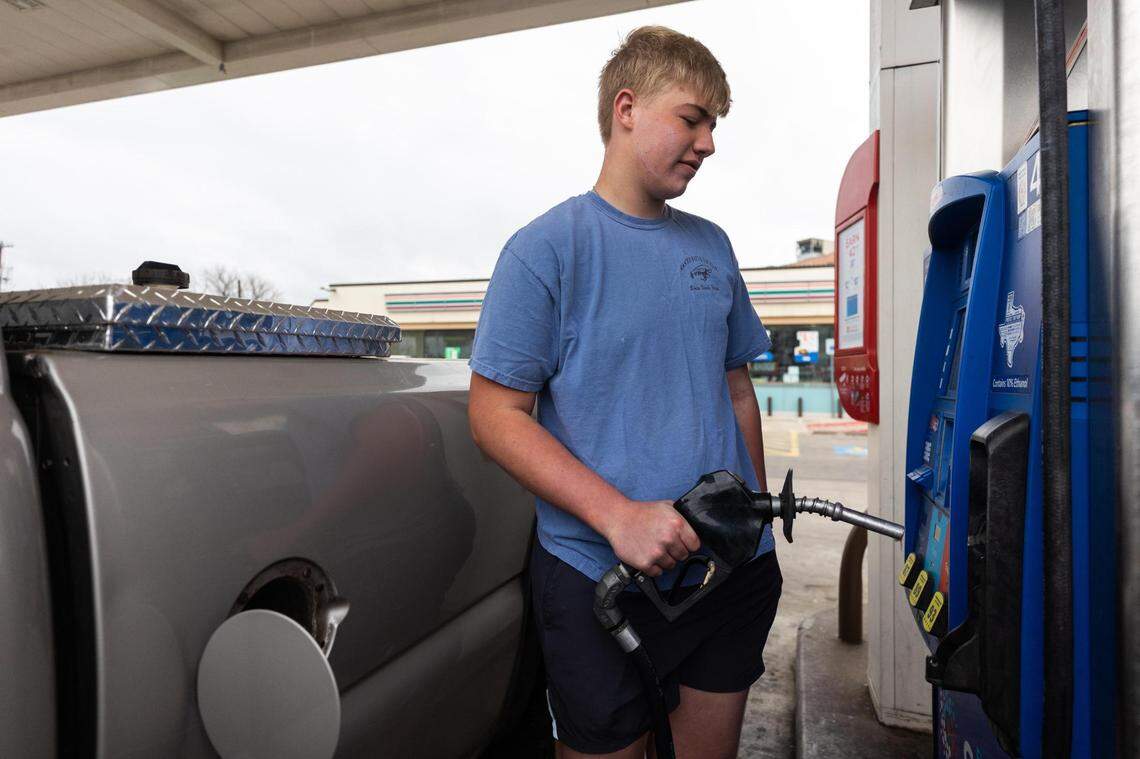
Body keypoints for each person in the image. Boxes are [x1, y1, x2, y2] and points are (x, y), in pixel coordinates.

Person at [467, 25, 781, 759]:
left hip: (725, 571)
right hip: (594, 577)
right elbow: (492, 415)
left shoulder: (712, 246)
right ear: (627, 107)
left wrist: (756, 519)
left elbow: (737, 390)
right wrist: (618, 515)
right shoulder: (545, 249)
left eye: (714, 126)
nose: (707, 143)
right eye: (693, 118)